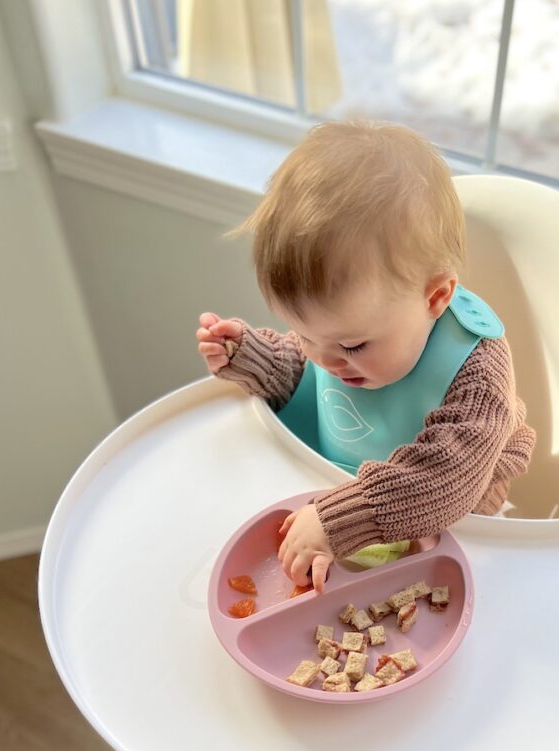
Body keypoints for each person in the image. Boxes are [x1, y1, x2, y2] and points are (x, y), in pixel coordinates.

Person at [196, 121, 536, 592]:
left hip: (452, 531)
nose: (327, 360)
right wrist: (256, 359)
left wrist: (339, 521)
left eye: (352, 347)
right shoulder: (337, 337)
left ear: (435, 296)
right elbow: (310, 380)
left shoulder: (477, 375)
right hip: (335, 504)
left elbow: (445, 477)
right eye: (304, 333)